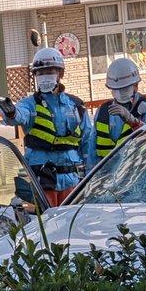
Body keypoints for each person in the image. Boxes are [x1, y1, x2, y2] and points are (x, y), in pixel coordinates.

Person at [11, 47, 93, 210]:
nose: (44, 76)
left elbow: (87, 142)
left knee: (71, 225)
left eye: (49, 71)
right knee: (46, 226)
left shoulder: (75, 105)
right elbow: (19, 115)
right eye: (40, 73)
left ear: (60, 74)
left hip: (72, 180)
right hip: (43, 181)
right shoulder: (29, 104)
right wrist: (11, 113)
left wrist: (91, 176)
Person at [90, 57, 146, 164]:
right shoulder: (102, 113)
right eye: (116, 90)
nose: (120, 94)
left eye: (125, 88)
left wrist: (133, 122)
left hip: (145, 178)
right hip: (109, 179)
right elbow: (92, 156)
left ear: (136, 86)